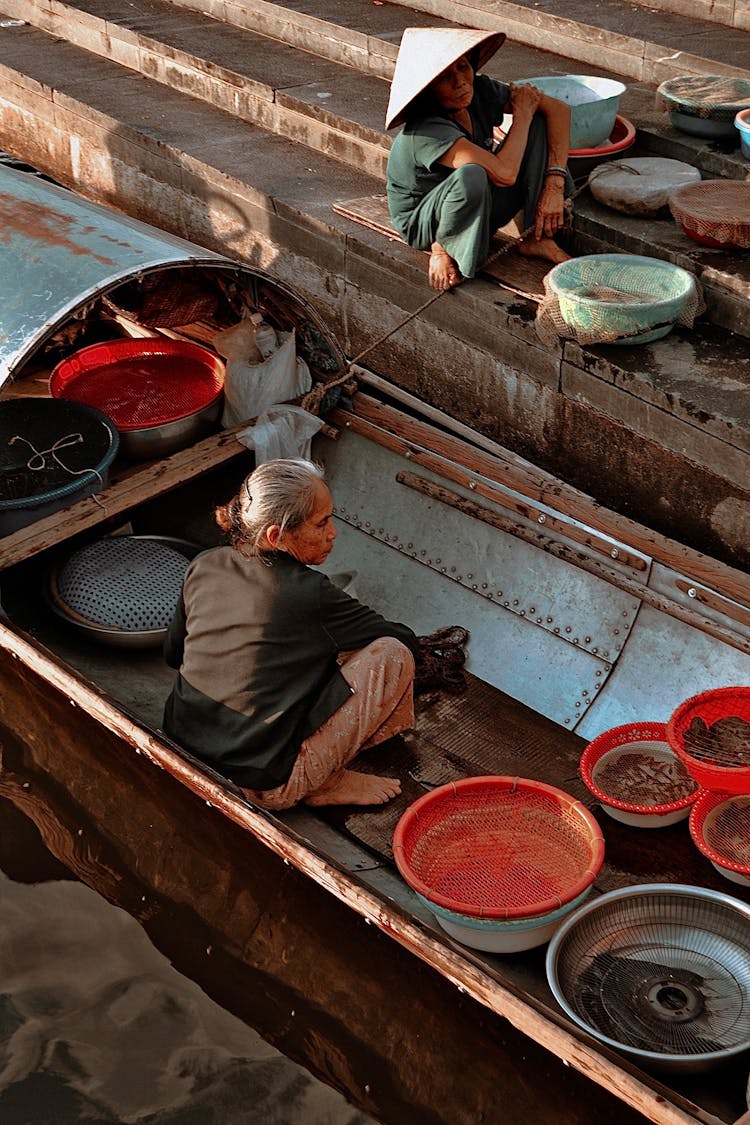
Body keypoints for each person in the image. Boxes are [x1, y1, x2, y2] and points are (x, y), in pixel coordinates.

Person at [163, 458, 418, 810]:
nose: (333, 533)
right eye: (322, 523)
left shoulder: (206, 562)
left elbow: (173, 655)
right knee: (391, 654)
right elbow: (401, 639)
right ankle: (325, 782)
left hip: (180, 740)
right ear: (276, 536)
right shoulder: (310, 593)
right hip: (264, 782)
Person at [385, 27, 573, 291]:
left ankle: (535, 236)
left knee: (539, 122)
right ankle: (445, 247)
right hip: (426, 221)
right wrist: (522, 115)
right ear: (428, 90)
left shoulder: (479, 91)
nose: (460, 81)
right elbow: (504, 174)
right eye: (445, 77)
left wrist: (555, 183)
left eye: (463, 67)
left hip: (479, 199)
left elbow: (559, 111)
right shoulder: (425, 130)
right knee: (472, 173)